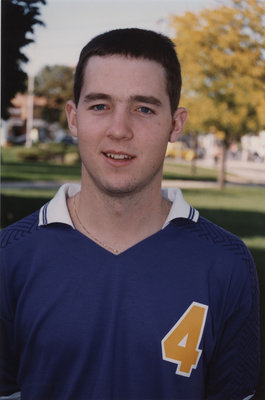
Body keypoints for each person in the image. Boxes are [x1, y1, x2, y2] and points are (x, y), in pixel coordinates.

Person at [0, 28, 260, 400]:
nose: (119, 130)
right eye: (100, 105)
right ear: (73, 118)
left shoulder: (227, 263)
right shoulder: (9, 257)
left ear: (176, 124)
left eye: (144, 108)